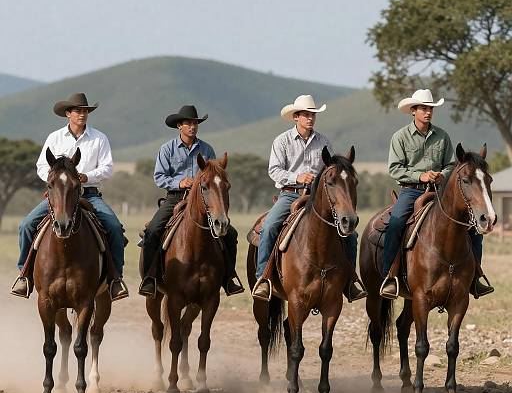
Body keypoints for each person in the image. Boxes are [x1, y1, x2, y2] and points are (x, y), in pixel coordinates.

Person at [11, 92, 129, 301]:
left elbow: (107, 168)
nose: (82, 114)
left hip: (89, 195)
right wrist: (54, 180)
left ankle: (115, 278)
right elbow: (41, 166)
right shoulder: (54, 138)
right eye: (77, 111)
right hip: (59, 196)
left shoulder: (99, 138)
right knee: (26, 225)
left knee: (114, 227)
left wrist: (86, 176)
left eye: (85, 111)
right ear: (68, 114)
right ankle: (25, 275)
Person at [379, 88, 494, 299]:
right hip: (411, 191)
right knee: (395, 223)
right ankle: (390, 276)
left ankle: (475, 276)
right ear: (413, 111)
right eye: (423, 108)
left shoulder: (442, 136)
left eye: (430, 108)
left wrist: (442, 175)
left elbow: (452, 165)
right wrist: (420, 176)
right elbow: (395, 168)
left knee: (473, 229)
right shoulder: (400, 137)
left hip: (440, 192)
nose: (428, 112)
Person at [251, 94, 367, 302]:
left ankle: (350, 280)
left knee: (351, 235)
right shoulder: (282, 141)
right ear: (296, 117)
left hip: (317, 198)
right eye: (306, 114)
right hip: (290, 194)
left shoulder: (323, 141)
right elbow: (274, 170)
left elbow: (332, 170)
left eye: (312, 114)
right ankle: (263, 278)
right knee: (269, 227)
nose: (310, 118)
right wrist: (297, 177)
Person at [138, 104, 244, 298]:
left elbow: (214, 176)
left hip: (203, 200)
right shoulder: (167, 149)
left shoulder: (207, 149)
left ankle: (229, 277)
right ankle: (149, 278)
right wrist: (180, 182)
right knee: (153, 230)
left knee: (230, 234)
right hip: (175, 197)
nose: (192, 126)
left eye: (195, 123)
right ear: (179, 126)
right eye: (188, 123)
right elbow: (159, 177)